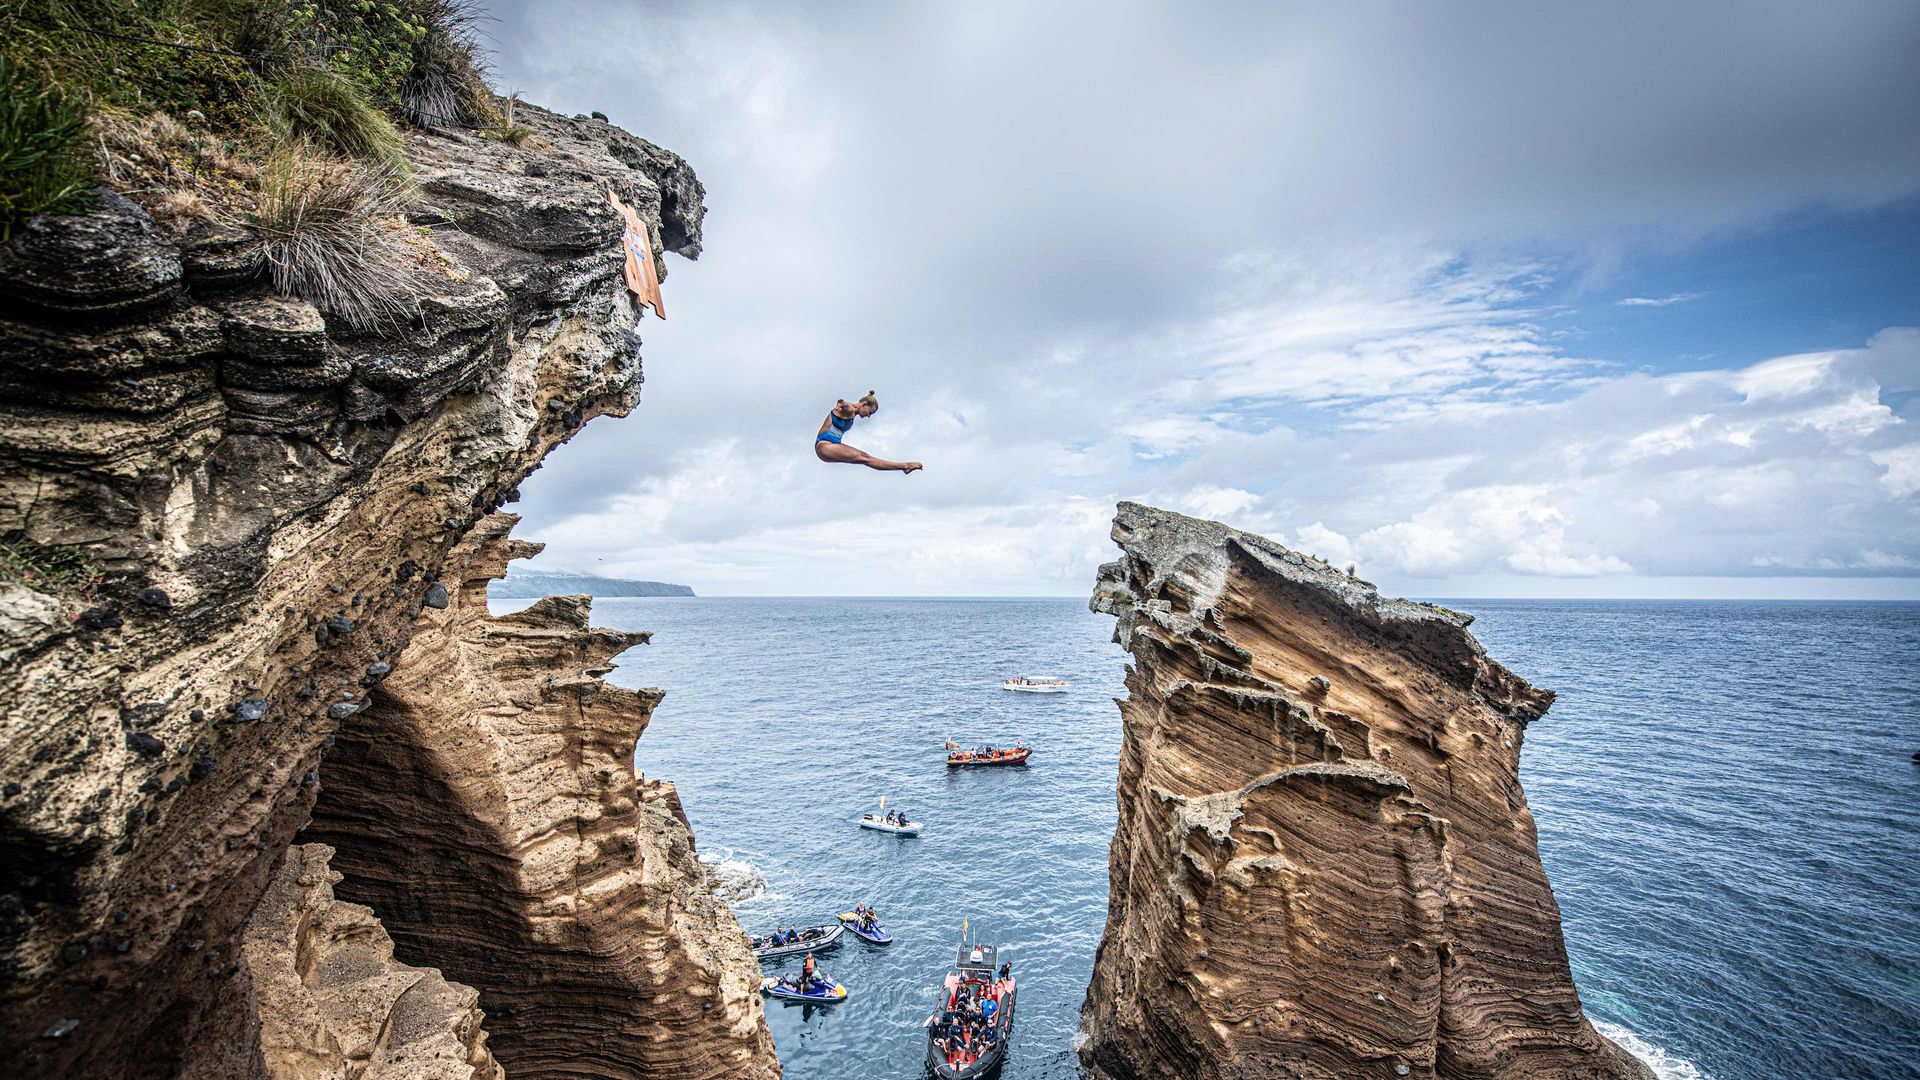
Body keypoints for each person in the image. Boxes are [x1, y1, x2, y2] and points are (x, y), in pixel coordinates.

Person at [813, 391, 922, 473]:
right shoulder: (851, 409)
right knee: (865, 458)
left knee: (864, 458)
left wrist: (869, 396)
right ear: (864, 405)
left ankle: (904, 466)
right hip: (824, 446)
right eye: (870, 412)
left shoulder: (854, 411)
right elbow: (844, 404)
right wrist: (840, 403)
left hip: (830, 447)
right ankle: (905, 466)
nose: (869, 416)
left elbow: (857, 405)